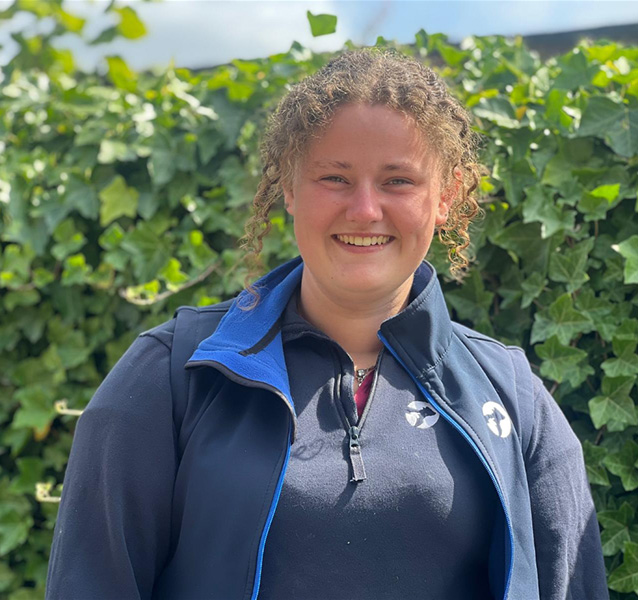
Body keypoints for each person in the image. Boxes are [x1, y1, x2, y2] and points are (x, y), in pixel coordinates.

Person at [45, 48, 608, 600]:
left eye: (398, 181)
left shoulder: (510, 396)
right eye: (335, 178)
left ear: (447, 195)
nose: (364, 210)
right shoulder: (174, 373)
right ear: (290, 188)